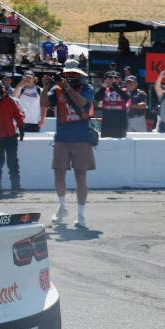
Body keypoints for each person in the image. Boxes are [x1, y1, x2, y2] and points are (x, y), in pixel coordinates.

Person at [49, 59, 96, 228]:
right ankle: (62, 207)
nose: (69, 77)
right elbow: (44, 104)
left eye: (72, 74)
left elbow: (83, 102)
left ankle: (81, 214)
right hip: (62, 137)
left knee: (80, 175)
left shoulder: (88, 88)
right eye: (67, 74)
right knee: (59, 173)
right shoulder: (56, 89)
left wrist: (67, 87)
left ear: (79, 75)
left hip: (82, 138)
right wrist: (47, 86)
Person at [95, 71, 128, 139]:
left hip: (120, 123)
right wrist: (104, 87)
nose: (113, 79)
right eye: (110, 78)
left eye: (116, 77)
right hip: (107, 122)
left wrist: (115, 86)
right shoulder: (104, 89)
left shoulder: (124, 89)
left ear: (120, 79)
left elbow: (127, 98)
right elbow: (96, 98)